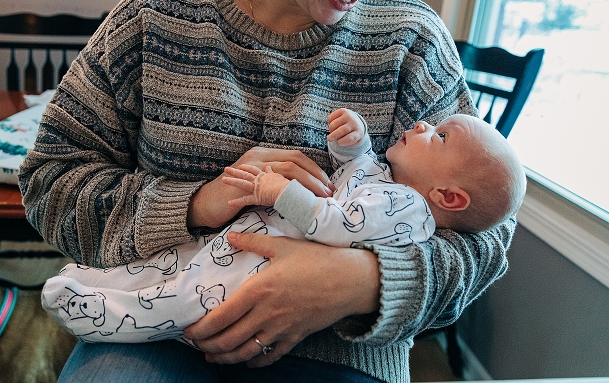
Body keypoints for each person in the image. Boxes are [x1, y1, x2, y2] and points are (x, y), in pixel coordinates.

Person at [18, 0, 516, 381]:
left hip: (339, 349)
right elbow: (49, 183)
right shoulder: (154, 15)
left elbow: (488, 234)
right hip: (156, 322)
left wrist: (361, 282)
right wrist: (195, 202)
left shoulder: (412, 41)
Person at [39, 109, 525, 344]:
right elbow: (354, 178)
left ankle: (110, 317)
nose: (422, 125)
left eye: (438, 135)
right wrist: (352, 146)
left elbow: (331, 221)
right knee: (175, 264)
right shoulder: (394, 183)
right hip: (240, 245)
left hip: (255, 274)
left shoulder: (411, 212)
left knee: (184, 296)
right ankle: (99, 280)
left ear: (449, 197)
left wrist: (362, 282)